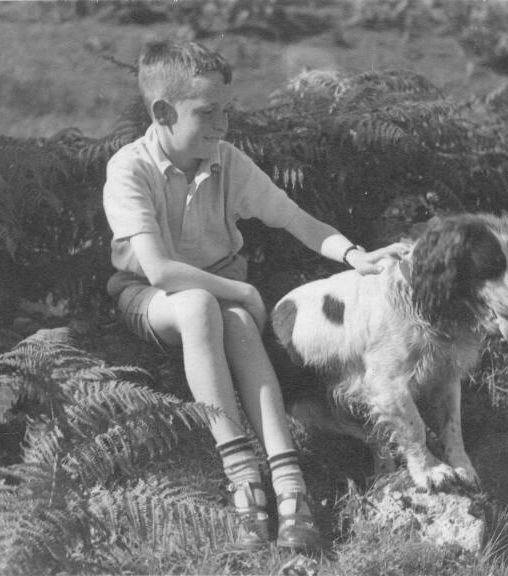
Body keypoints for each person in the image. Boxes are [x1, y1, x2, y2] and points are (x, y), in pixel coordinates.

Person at [103, 39, 407, 551]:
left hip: (219, 296)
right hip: (151, 298)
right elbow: (157, 271)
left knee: (240, 324)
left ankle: (290, 489)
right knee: (204, 307)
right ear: (161, 112)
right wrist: (241, 288)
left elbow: (295, 220)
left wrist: (357, 256)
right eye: (207, 113)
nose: (222, 125)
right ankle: (243, 478)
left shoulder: (226, 160)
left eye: (226, 110)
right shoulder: (129, 169)